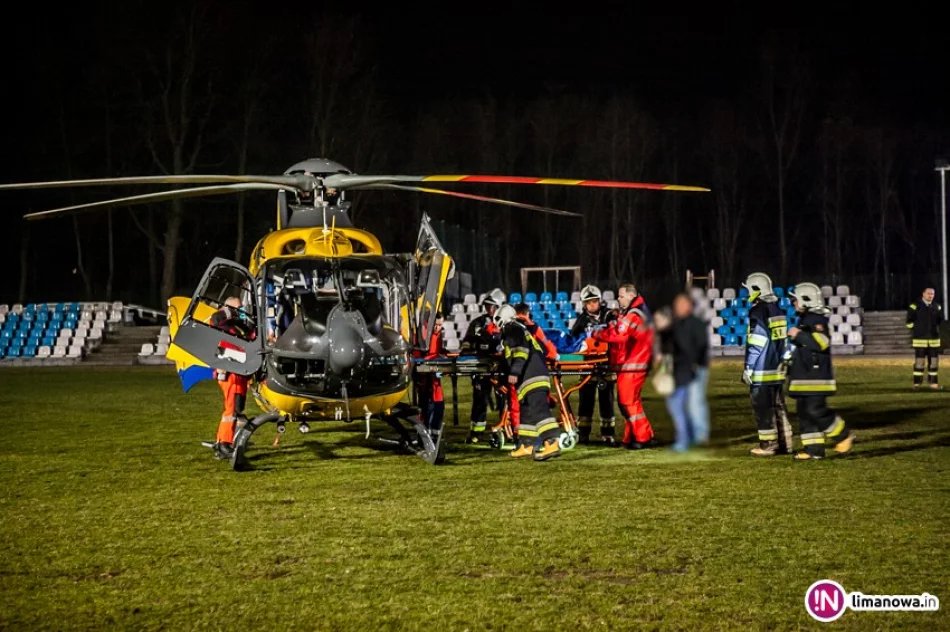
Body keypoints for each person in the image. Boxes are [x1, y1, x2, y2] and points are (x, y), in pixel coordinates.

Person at [786, 283, 855, 459]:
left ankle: (843, 435)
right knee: (805, 414)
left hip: (815, 377)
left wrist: (797, 334)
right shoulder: (807, 318)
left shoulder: (816, 319)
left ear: (806, 299)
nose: (793, 303)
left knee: (816, 410)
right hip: (805, 376)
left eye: (795, 299)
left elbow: (822, 342)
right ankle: (813, 450)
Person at [592, 283, 655, 449]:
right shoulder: (636, 312)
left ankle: (642, 437)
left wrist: (598, 334)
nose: (618, 299)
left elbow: (620, 336)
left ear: (630, 296)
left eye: (620, 296)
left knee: (628, 402)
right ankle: (634, 436)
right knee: (628, 402)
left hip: (633, 364)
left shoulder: (634, 314)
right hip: (634, 363)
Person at [495, 304, 562, 460]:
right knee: (527, 411)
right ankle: (527, 445)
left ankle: (552, 442)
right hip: (532, 375)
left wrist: (514, 372)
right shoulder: (519, 328)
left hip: (532, 375)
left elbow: (520, 350)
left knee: (539, 410)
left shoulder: (511, 328)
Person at [741, 272, 793, 456]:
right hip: (777, 369)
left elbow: (757, 341)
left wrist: (749, 367)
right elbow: (784, 342)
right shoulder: (777, 309)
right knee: (779, 406)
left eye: (749, 290)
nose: (747, 294)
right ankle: (786, 443)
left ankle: (769, 445)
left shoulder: (758, 311)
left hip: (762, 370)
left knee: (763, 408)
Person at [208, 296, 256, 460]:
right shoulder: (220, 322)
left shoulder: (235, 327)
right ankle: (224, 444)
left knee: (236, 409)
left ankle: (223, 442)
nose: (241, 311)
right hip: (231, 373)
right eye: (238, 308)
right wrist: (230, 310)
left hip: (239, 373)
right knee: (231, 410)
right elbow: (215, 319)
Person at [569, 284, 618, 444]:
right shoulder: (580, 321)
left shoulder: (609, 316)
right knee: (585, 401)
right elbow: (574, 341)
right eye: (588, 302)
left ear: (599, 301)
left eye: (594, 301)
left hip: (607, 365)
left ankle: (608, 434)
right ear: (584, 304)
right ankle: (583, 434)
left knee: (607, 401)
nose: (592, 305)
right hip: (588, 366)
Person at [460, 289, 506, 443]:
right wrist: (467, 348)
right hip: (482, 366)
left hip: (501, 367)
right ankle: (476, 432)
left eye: (492, 306)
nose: (489, 309)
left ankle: (506, 428)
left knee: (504, 399)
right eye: (487, 305)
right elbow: (467, 340)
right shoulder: (478, 323)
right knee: (480, 399)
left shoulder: (506, 322)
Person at [414, 312, 446, 433]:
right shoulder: (422, 337)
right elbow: (418, 356)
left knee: (437, 405)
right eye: (436, 325)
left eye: (440, 325)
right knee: (427, 407)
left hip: (433, 378)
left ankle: (433, 433)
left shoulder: (438, 336)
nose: (438, 328)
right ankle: (426, 434)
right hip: (425, 379)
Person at [907, 287, 943, 389]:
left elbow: (940, 321)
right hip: (920, 340)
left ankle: (933, 383)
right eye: (928, 293)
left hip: (934, 340)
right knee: (919, 363)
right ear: (923, 294)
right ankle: (917, 383)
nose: (930, 295)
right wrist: (918, 329)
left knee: (934, 363)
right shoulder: (914, 306)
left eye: (932, 294)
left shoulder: (937, 306)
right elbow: (909, 322)